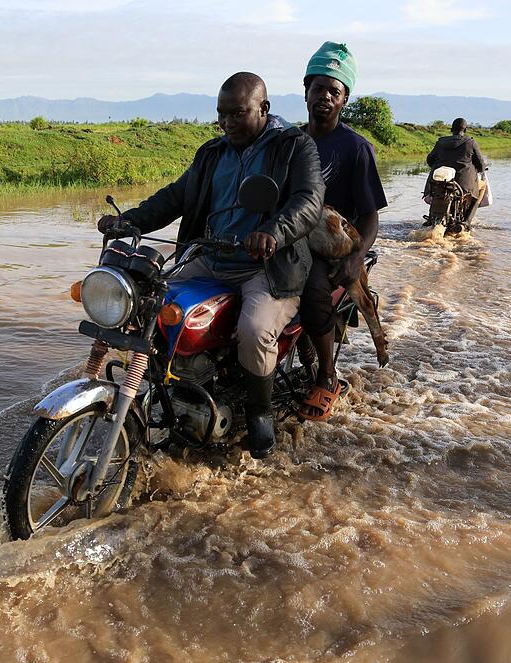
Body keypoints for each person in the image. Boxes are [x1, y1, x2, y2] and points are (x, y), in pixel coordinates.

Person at [97, 72, 325, 458]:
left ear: (264, 108)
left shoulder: (293, 146)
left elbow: (309, 199)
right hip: (210, 257)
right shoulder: (212, 153)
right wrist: (129, 220)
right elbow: (175, 197)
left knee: (254, 331)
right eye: (221, 114)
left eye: (237, 113)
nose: (227, 122)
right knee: (148, 305)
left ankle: (259, 413)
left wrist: (273, 232)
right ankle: (169, 388)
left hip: (266, 266)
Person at [295, 41, 387, 422]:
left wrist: (355, 258)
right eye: (319, 88)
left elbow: (370, 216)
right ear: (306, 91)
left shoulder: (356, 148)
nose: (326, 97)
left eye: (335, 91)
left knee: (314, 289)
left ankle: (327, 375)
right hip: (290, 237)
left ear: (344, 100)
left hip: (330, 245)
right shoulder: (290, 142)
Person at [425, 118, 487, 210]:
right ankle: (469, 217)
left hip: (439, 183)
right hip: (464, 184)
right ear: (465, 130)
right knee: (483, 186)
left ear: (451, 129)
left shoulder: (441, 142)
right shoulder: (470, 143)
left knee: (436, 192)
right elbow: (481, 165)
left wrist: (436, 167)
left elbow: (430, 159)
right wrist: (481, 169)